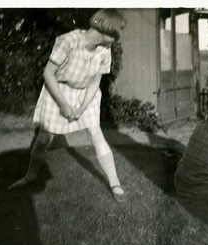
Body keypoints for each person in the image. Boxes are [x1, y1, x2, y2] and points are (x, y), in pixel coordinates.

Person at [9, 9, 127, 203]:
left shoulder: (104, 50)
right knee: (44, 139)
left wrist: (83, 106)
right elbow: (48, 74)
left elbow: (95, 80)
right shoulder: (68, 41)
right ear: (106, 31)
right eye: (116, 34)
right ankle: (29, 177)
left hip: (86, 94)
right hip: (58, 91)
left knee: (96, 134)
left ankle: (115, 184)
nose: (117, 39)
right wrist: (63, 104)